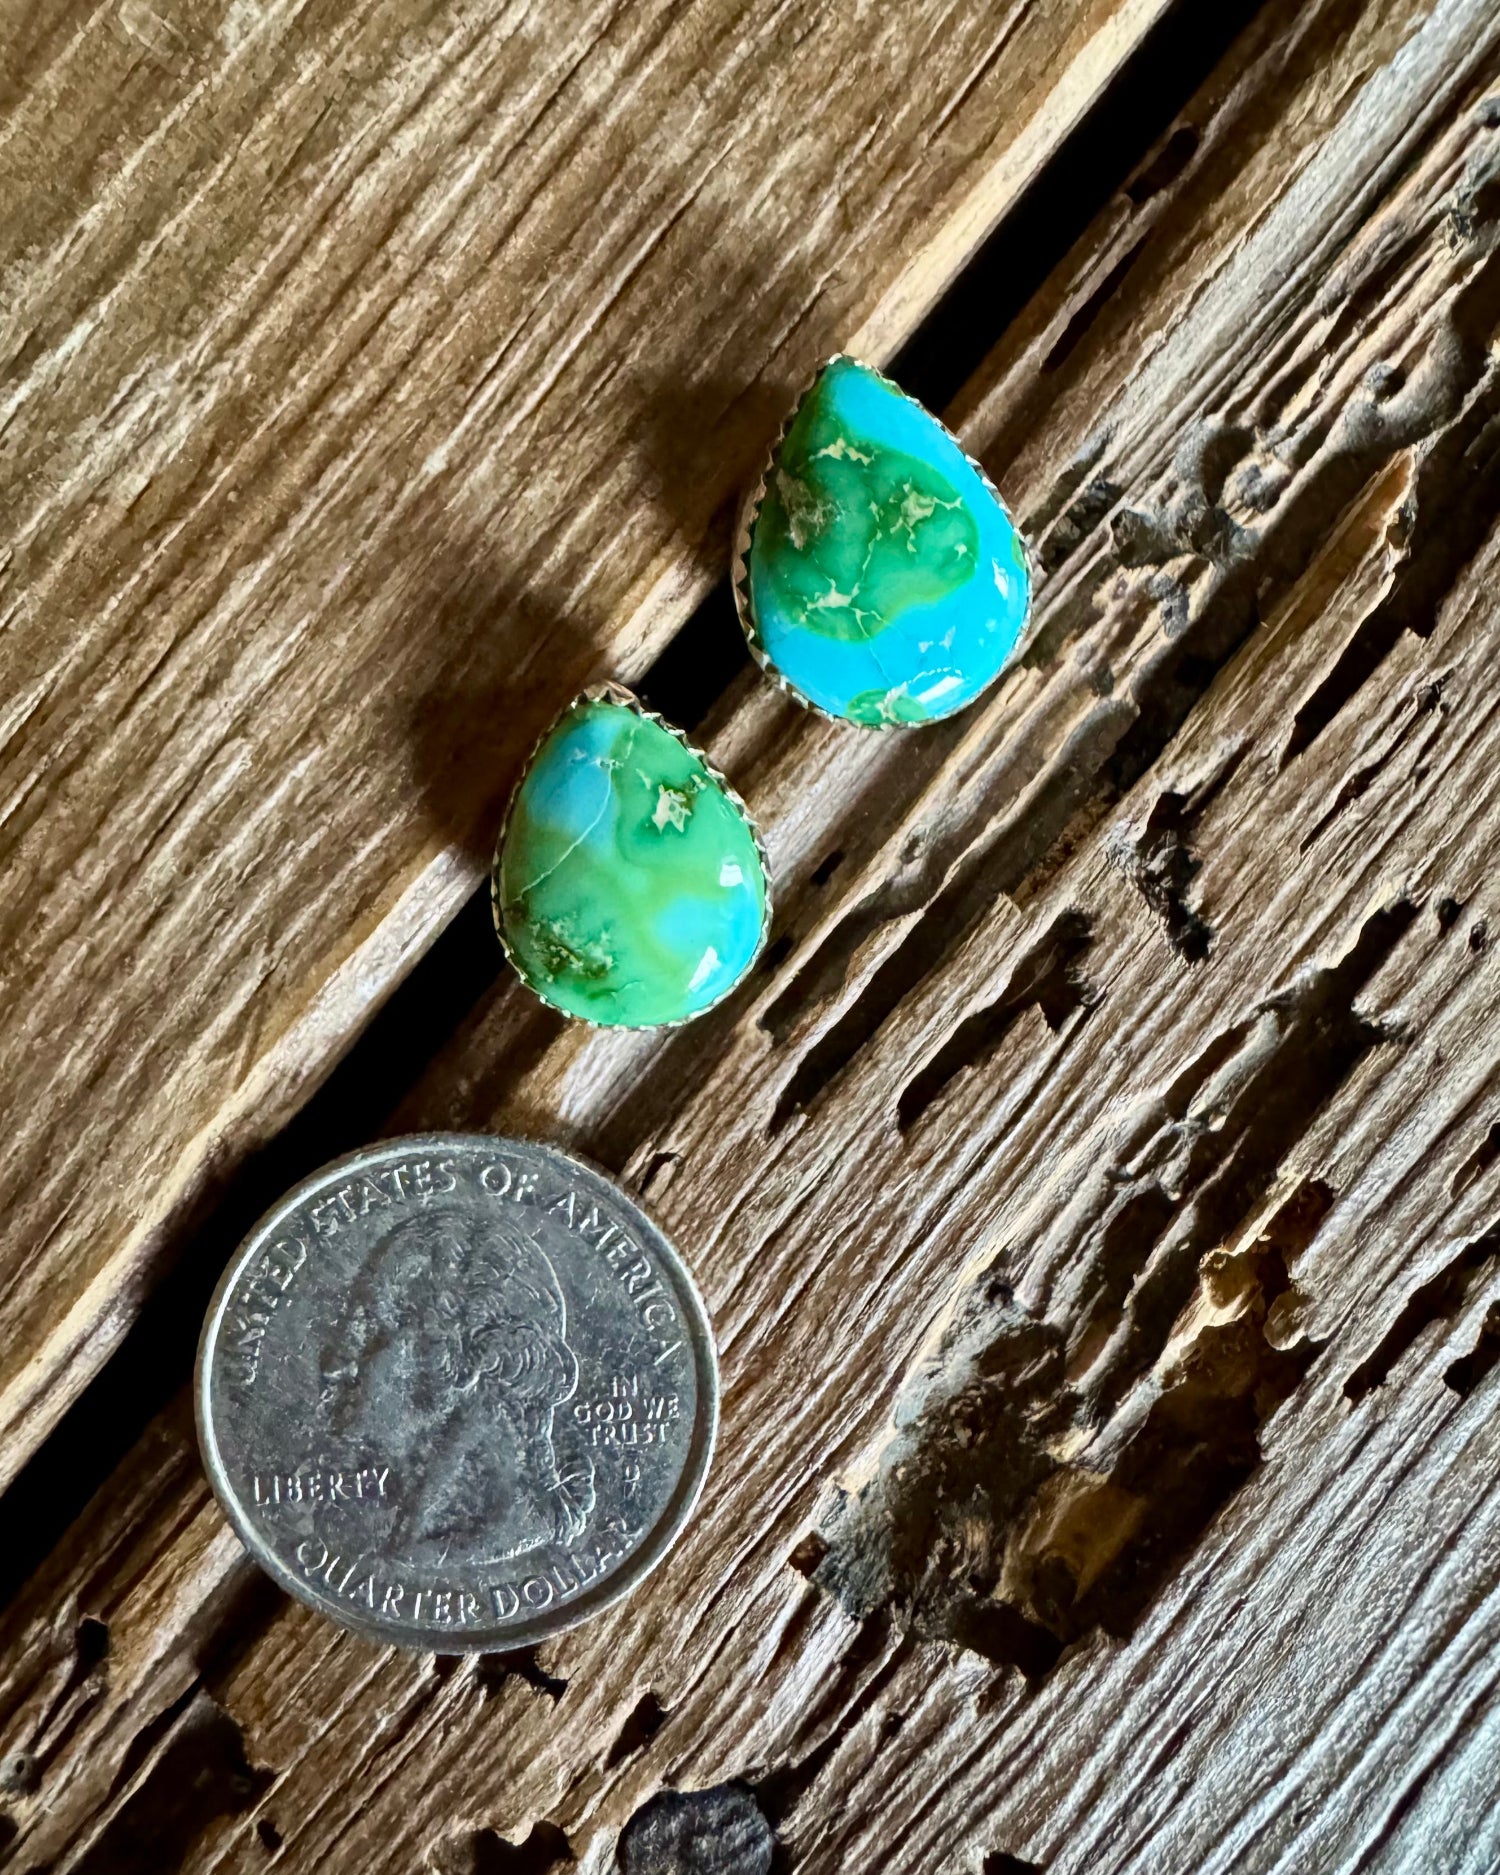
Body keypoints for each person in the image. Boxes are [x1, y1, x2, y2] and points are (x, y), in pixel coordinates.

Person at [318, 1209, 595, 1567]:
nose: (337, 1365)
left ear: (458, 1363)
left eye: (373, 1331)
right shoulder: (417, 1531)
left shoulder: (456, 1544)